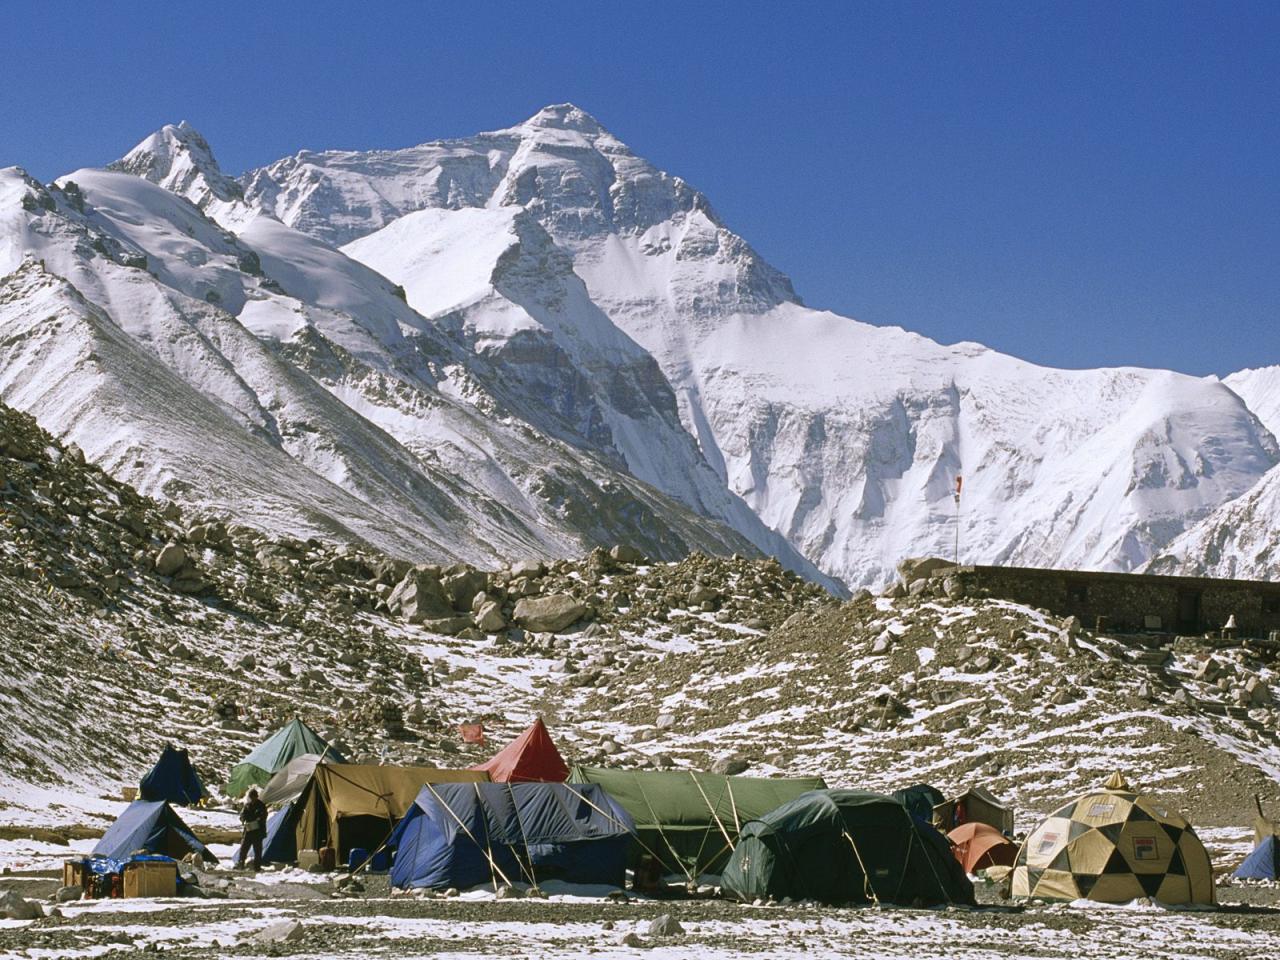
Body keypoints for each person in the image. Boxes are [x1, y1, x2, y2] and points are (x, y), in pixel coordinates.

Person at [238, 788, 268, 870]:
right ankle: (241, 864)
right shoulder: (247, 805)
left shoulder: (261, 806)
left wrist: (257, 821)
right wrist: (243, 821)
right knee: (244, 848)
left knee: (257, 850)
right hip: (248, 830)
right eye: (251, 797)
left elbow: (263, 816)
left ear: (256, 797)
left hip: (257, 832)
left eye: (254, 796)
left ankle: (257, 866)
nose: (252, 798)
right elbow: (242, 815)